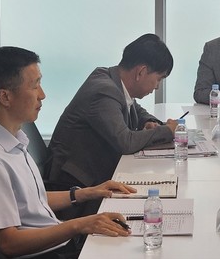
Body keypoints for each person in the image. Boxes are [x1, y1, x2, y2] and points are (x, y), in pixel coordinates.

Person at [0, 47, 135, 259]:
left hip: (59, 242)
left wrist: (87, 193)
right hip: (48, 255)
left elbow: (30, 201)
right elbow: (8, 243)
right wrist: (80, 224)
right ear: (5, 97)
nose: (42, 95)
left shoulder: (12, 140)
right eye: (34, 85)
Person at [46, 34, 179, 192]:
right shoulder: (104, 91)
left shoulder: (112, 79)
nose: (157, 86)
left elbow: (135, 109)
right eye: (159, 79)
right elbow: (125, 142)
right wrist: (166, 131)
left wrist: (149, 122)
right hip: (74, 184)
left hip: (93, 174)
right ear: (141, 72)